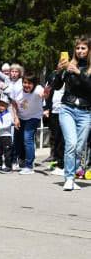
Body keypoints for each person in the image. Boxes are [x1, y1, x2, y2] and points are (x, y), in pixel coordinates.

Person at [52, 37, 91, 191]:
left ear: (88, 50)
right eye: (78, 48)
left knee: (80, 148)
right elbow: (56, 86)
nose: (80, 51)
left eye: (83, 48)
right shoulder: (70, 65)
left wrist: (79, 74)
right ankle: (68, 178)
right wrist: (59, 71)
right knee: (72, 143)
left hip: (86, 111)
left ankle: (73, 175)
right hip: (67, 108)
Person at [12, 73, 50, 175]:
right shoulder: (16, 88)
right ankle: (18, 160)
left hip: (34, 116)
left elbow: (42, 94)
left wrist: (46, 94)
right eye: (25, 82)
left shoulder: (38, 89)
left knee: (27, 138)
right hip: (21, 116)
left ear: (34, 84)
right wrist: (16, 117)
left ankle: (29, 166)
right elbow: (14, 102)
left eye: (29, 83)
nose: (26, 85)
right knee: (17, 139)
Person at [44, 70, 65, 176]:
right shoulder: (53, 75)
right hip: (54, 111)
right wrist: (46, 108)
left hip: (66, 111)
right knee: (56, 138)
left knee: (63, 139)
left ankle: (62, 164)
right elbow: (48, 92)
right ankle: (56, 162)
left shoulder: (71, 73)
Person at [0, 95, 13, 173]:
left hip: (6, 136)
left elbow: (8, 125)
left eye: (2, 105)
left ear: (7, 106)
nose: (0, 107)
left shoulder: (8, 115)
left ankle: (8, 166)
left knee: (7, 152)